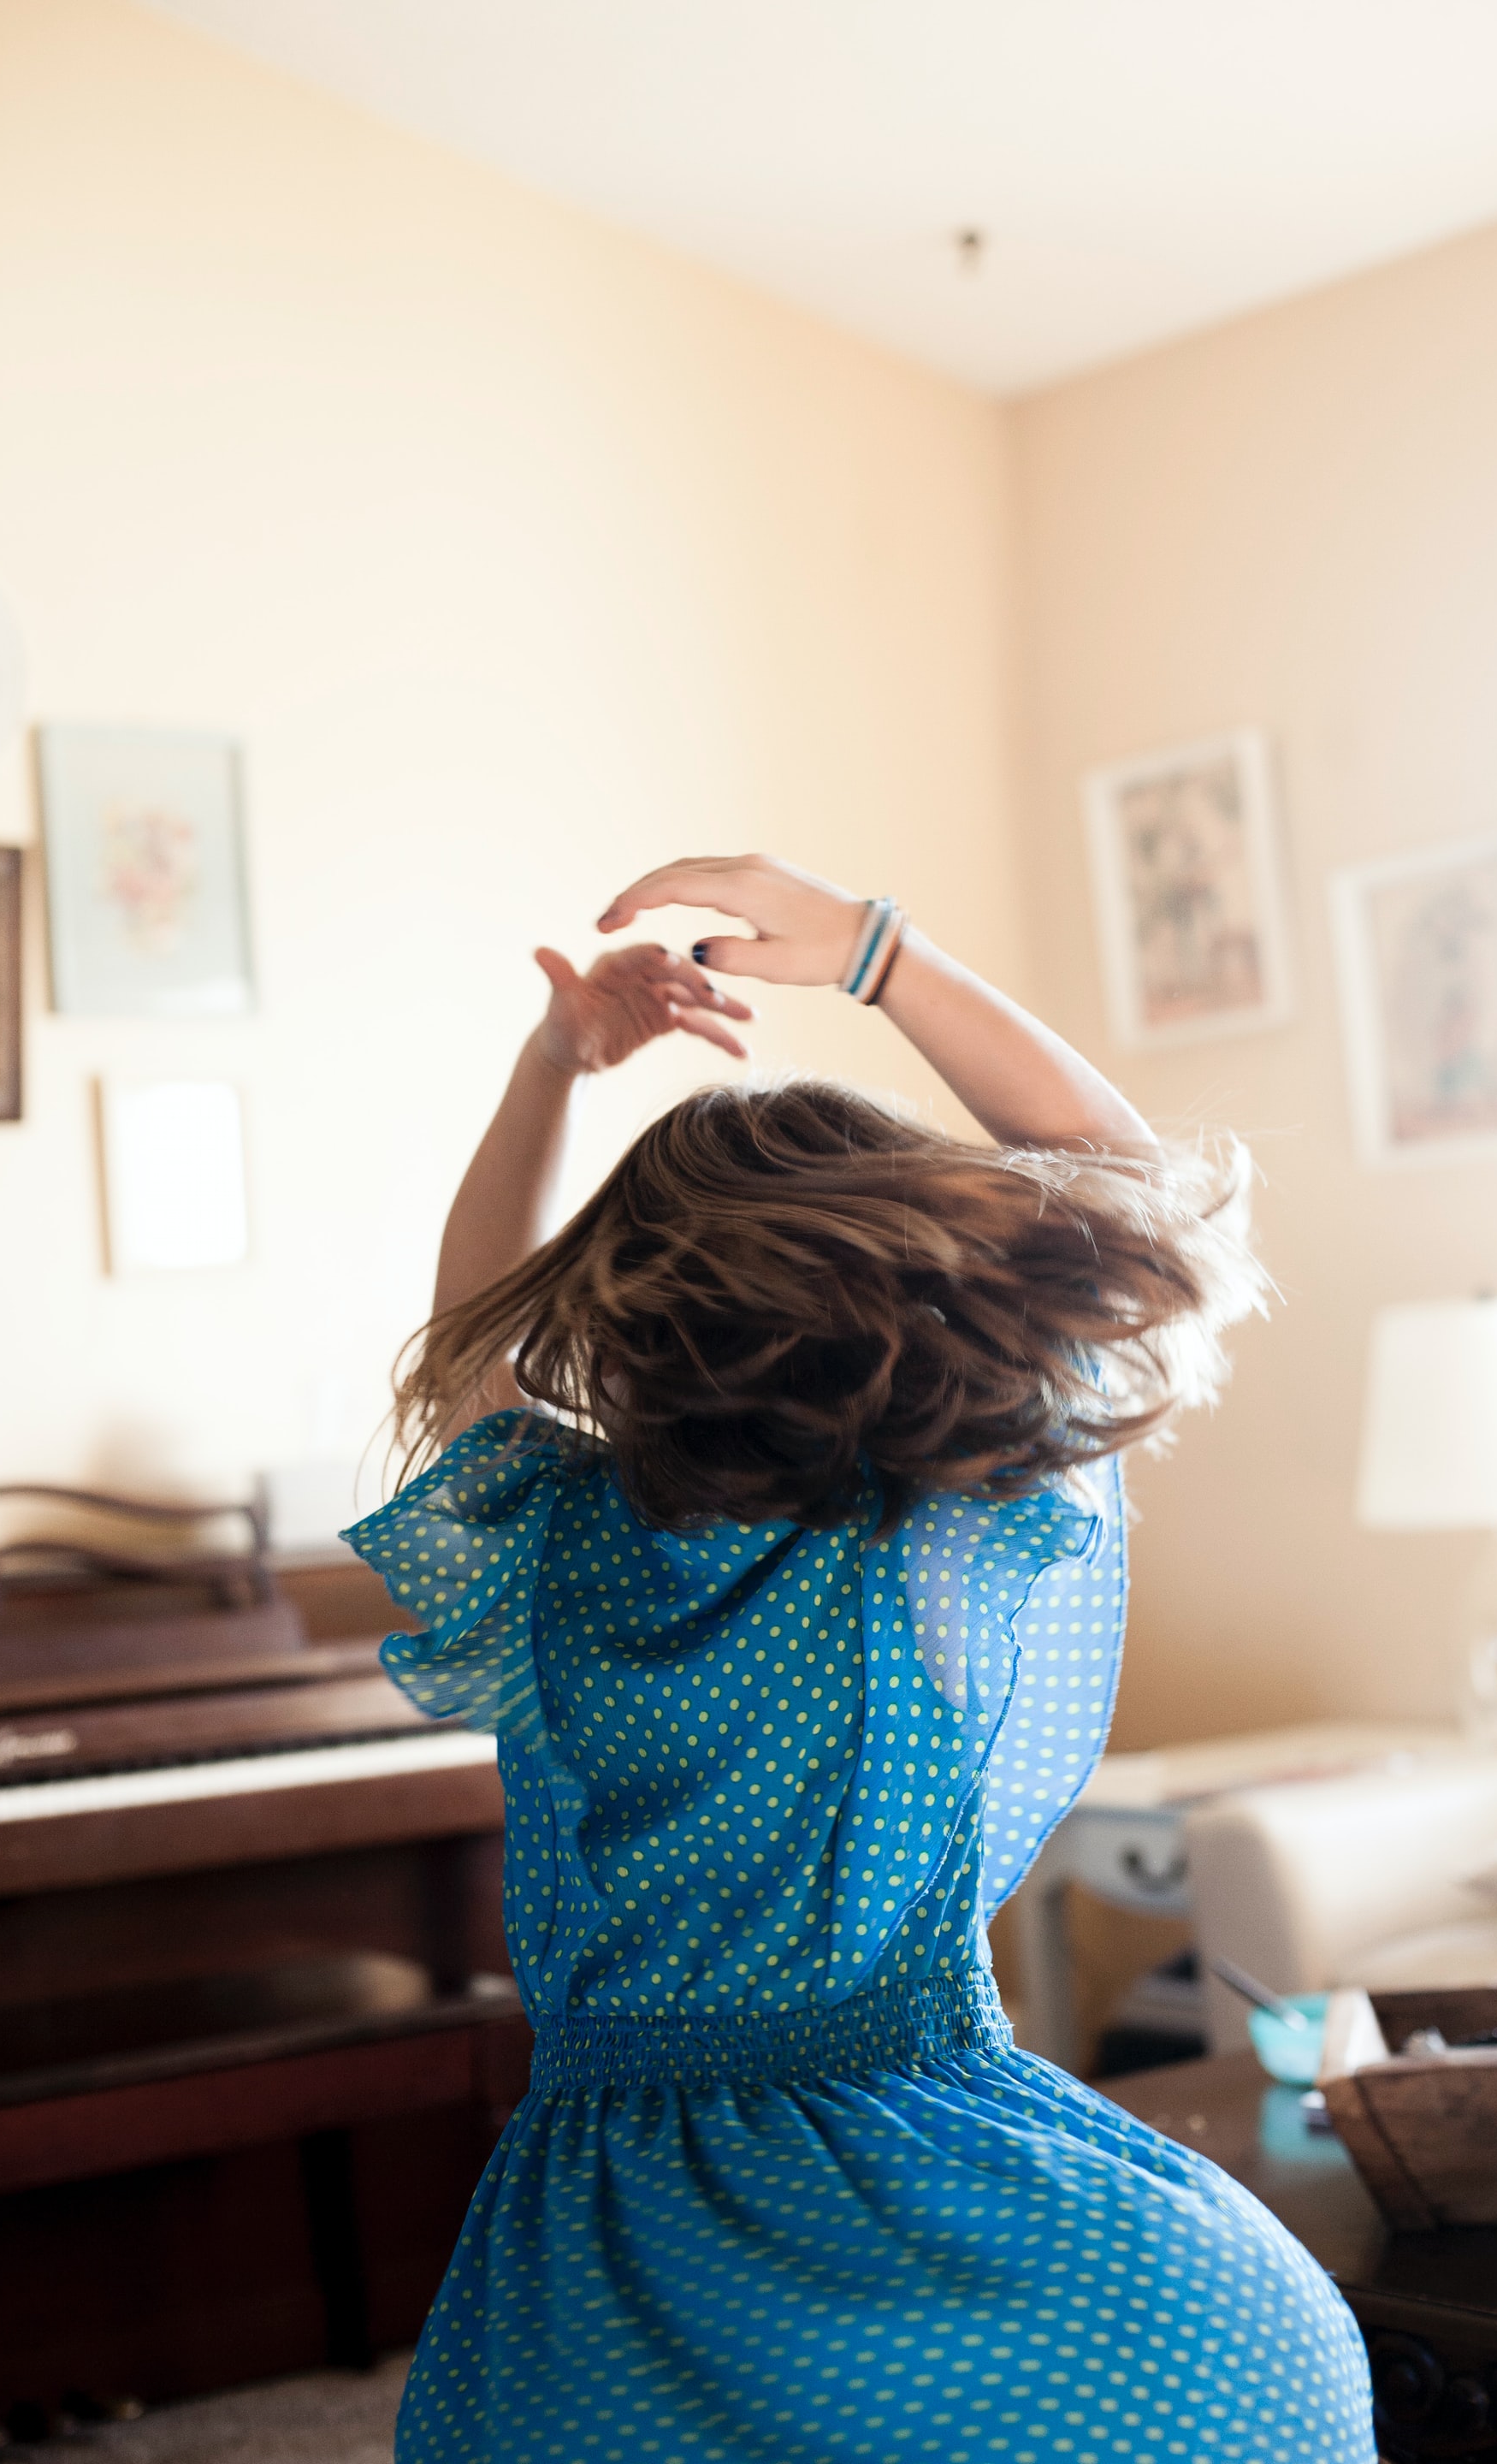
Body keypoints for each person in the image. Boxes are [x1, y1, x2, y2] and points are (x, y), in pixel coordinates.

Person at [345, 855, 1376, 2464]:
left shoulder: (547, 1538)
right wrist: (885, 957)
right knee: (1262, 2337)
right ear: (931, 1289)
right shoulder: (943, 1538)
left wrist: (554, 1064)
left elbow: (466, 1336)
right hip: (933, 2164)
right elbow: (1131, 1185)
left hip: (608, 2251)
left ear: (625, 1329)